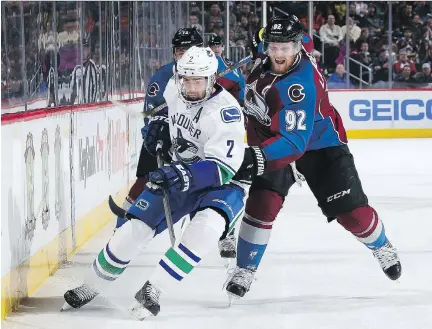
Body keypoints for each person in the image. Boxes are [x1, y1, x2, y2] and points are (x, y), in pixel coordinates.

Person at [224, 15, 402, 299]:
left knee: (353, 215)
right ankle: (245, 269)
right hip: (272, 139)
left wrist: (256, 157)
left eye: (285, 48)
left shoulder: (299, 84)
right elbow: (274, 41)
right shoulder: (272, 51)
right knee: (260, 205)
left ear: (298, 48)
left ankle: (381, 245)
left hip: (317, 145)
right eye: (273, 46)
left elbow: (294, 143)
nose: (279, 54)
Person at [62, 46, 247, 319]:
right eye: (187, 80)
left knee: (205, 230)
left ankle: (154, 289)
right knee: (133, 229)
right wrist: (158, 126)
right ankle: (93, 284)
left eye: (199, 81)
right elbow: (166, 113)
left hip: (222, 183)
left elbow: (224, 168)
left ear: (212, 79)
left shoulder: (225, 113)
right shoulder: (174, 86)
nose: (192, 88)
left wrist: (181, 174)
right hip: (179, 171)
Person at [115, 28, 245, 260]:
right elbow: (152, 116)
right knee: (146, 180)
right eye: (179, 50)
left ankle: (225, 232)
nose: (183, 54)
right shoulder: (163, 77)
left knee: (220, 182)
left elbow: (239, 95)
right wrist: (156, 137)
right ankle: (122, 228)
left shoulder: (217, 71)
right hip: (169, 140)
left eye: (189, 49)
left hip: (207, 143)